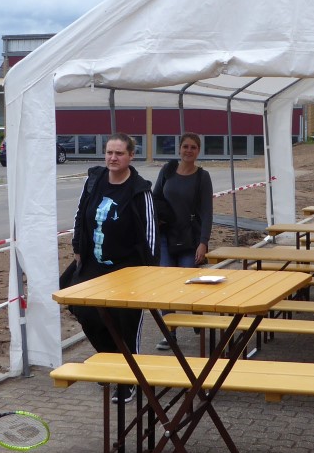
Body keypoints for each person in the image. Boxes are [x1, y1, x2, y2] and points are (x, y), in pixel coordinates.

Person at [69, 133, 157, 366]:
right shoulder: (94, 180)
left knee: (125, 320)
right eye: (109, 152)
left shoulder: (140, 189)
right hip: (94, 262)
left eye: (119, 153)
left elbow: (150, 232)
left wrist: (150, 271)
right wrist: (78, 248)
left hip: (127, 268)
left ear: (131, 155)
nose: (113, 158)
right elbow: (80, 215)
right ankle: (111, 360)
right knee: (83, 309)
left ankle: (130, 374)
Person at [151, 133, 214, 350]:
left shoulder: (202, 177)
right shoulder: (167, 170)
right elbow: (155, 197)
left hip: (189, 239)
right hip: (166, 237)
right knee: (167, 284)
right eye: (185, 146)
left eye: (193, 147)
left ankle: (196, 312)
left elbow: (207, 211)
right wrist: (158, 218)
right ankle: (170, 333)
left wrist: (203, 242)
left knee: (189, 282)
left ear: (198, 151)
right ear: (179, 149)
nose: (188, 150)